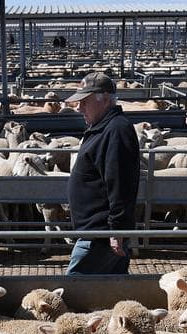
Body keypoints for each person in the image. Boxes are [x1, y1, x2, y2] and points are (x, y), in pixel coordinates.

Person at [63, 72, 139, 275]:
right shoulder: (104, 128)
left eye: (84, 102)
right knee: (108, 293)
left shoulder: (116, 130)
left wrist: (116, 229)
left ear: (105, 100)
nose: (79, 108)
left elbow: (121, 182)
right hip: (97, 233)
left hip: (101, 236)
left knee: (72, 294)